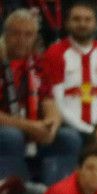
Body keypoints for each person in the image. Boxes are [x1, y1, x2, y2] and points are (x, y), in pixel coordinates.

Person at [0, 9, 82, 164]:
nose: (21, 39)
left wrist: (51, 125)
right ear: (5, 35)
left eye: (28, 34)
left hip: (32, 127)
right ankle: (13, 179)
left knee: (69, 138)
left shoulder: (39, 63)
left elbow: (49, 101)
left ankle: (58, 180)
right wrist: (29, 126)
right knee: (12, 136)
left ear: (35, 38)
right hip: (8, 129)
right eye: (15, 33)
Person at [43, 1, 97, 140]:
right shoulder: (55, 53)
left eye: (88, 20)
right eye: (76, 19)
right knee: (71, 138)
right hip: (66, 125)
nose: (82, 24)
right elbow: (57, 103)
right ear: (67, 23)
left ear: (96, 24)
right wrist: (89, 131)